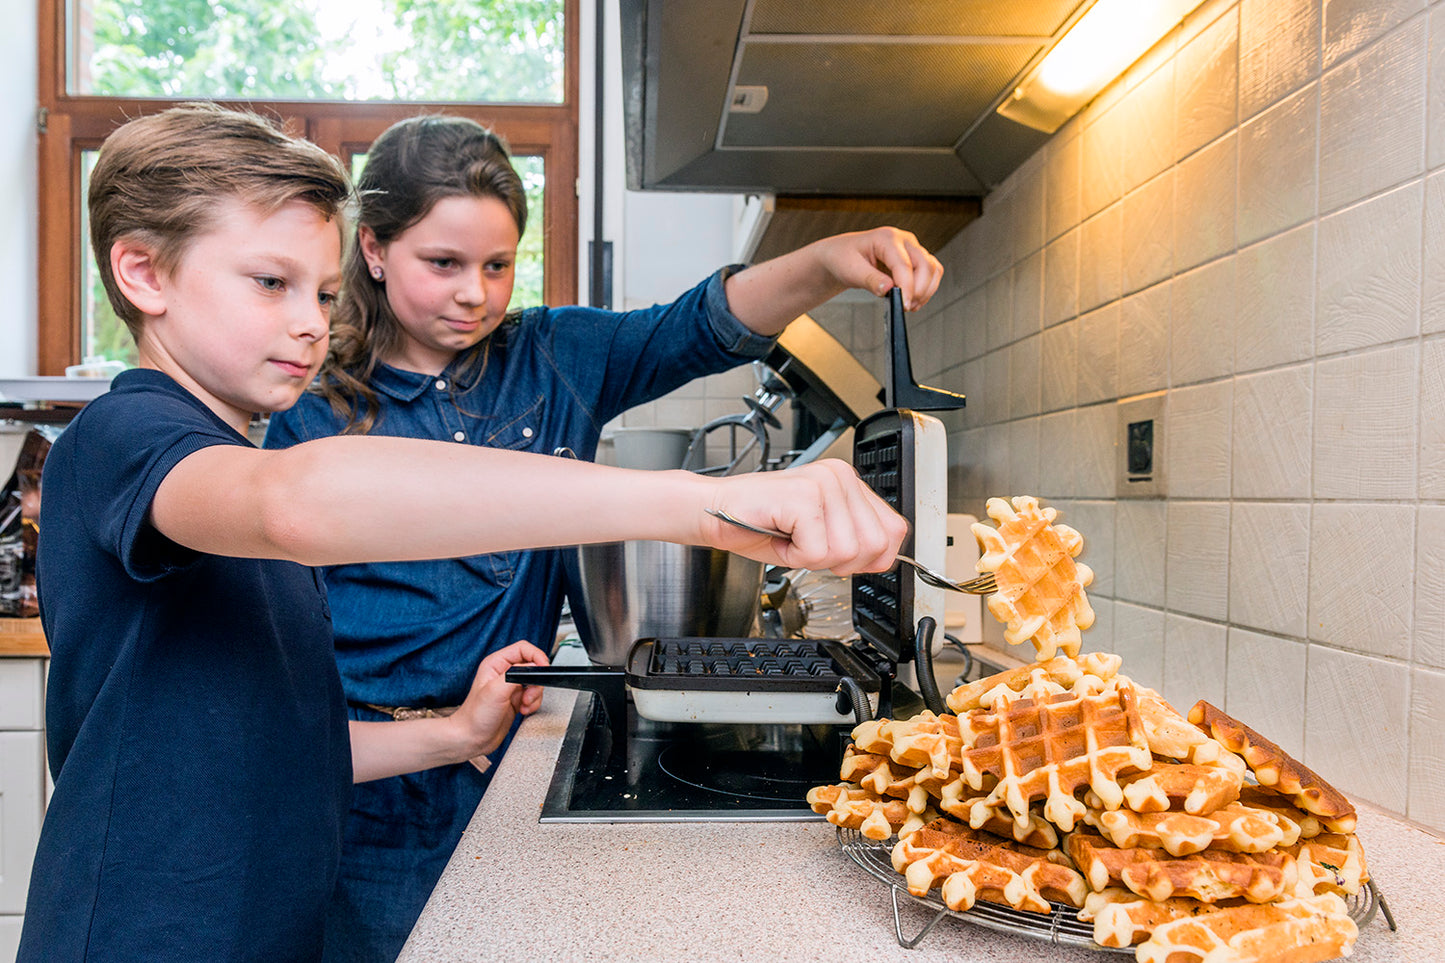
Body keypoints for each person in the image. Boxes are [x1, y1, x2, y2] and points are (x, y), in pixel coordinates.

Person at [16, 103, 909, 963]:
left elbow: (284, 742)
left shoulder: (231, 457)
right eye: (270, 282)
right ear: (142, 273)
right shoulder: (128, 437)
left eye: (321, 292)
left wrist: (452, 735)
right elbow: (302, 502)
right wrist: (699, 507)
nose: (309, 321)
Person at [261, 113, 944, 962]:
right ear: (372, 250)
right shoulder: (304, 405)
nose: (475, 291)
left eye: (497, 264)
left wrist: (824, 263)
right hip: (362, 781)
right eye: (442, 263)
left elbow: (696, 325)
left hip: (503, 758)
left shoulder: (553, 357)